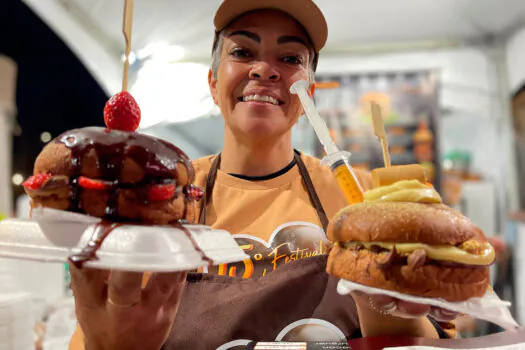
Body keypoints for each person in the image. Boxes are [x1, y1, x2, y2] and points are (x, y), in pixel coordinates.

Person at [69, 1, 458, 349]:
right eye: (242, 52)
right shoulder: (161, 200)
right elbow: (105, 333)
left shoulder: (363, 200)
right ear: (212, 82)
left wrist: (382, 297)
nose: (264, 70)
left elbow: (431, 339)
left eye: (290, 58)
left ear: (310, 94)